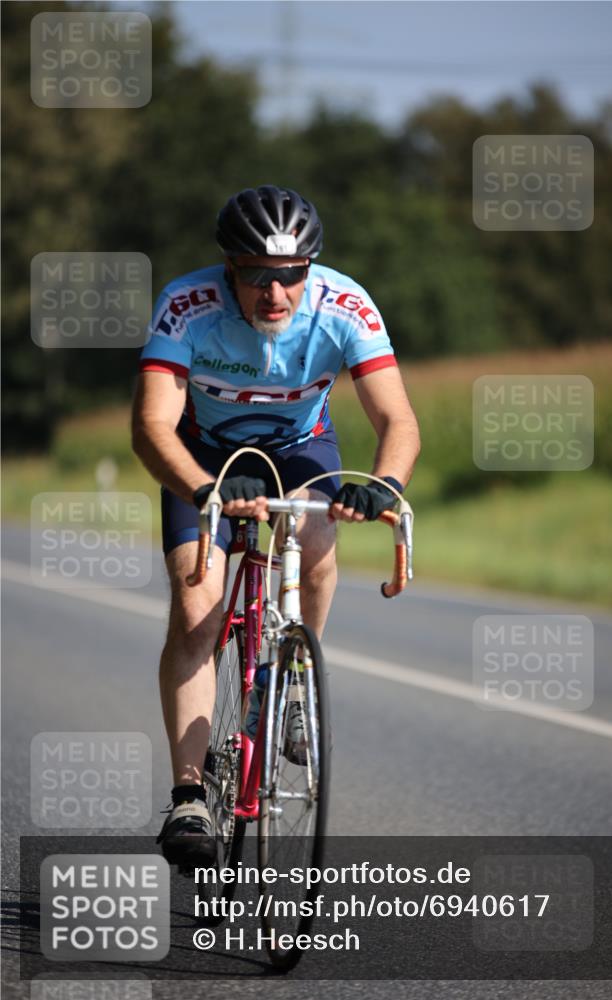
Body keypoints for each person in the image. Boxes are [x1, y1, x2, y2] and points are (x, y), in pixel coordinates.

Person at [132, 185, 420, 865]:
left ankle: (296, 674)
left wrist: (383, 486)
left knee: (316, 541)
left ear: (310, 270)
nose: (276, 292)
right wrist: (202, 487)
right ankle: (190, 797)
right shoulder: (187, 304)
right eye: (258, 274)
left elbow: (397, 421)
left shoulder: (344, 305)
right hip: (204, 454)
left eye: (292, 275)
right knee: (198, 605)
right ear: (229, 268)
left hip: (300, 451)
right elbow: (150, 426)